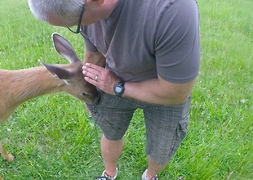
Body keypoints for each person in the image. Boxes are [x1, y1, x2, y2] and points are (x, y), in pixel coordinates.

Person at [28, 0, 200, 179]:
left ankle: (150, 175)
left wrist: (117, 87)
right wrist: (90, 89)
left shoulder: (174, 10)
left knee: (163, 145)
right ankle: (109, 174)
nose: (81, 28)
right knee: (110, 132)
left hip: (162, 90)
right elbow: (95, 54)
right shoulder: (84, 13)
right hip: (111, 78)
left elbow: (176, 93)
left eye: (76, 24)